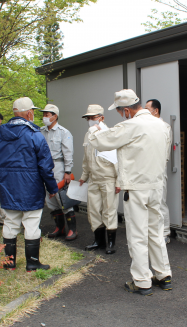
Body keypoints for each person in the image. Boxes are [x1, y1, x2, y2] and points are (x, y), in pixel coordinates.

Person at [88, 90, 172, 296]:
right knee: (156, 232)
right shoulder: (161, 125)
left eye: (120, 112)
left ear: (126, 110)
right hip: (156, 186)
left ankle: (142, 281)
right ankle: (164, 275)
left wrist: (95, 129)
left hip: (136, 188)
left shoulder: (131, 125)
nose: (121, 115)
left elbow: (99, 142)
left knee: (137, 235)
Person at [0, 97, 57, 271]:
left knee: (10, 222)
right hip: (31, 187)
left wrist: (5, 174)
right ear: (29, 113)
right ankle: (32, 263)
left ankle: (9, 263)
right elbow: (46, 166)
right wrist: (52, 187)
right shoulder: (34, 135)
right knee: (31, 223)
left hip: (7, 186)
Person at [79, 104, 120, 254]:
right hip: (94, 178)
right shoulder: (88, 134)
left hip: (108, 178)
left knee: (109, 210)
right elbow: (86, 157)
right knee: (94, 210)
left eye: (93, 117)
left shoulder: (109, 134)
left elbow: (118, 159)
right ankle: (98, 241)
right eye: (88, 118)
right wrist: (84, 176)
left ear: (102, 118)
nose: (90, 120)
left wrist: (119, 181)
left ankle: (111, 244)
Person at [39, 104, 78, 241]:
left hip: (58, 166)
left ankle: (72, 229)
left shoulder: (63, 132)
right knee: (49, 199)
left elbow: (68, 153)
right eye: (44, 114)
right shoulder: (40, 131)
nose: (44, 117)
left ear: (55, 116)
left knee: (62, 197)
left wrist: (68, 171)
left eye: (47, 114)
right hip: (44, 167)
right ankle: (59, 228)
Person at [145, 99, 172, 244]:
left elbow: (165, 153)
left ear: (156, 111)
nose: (144, 111)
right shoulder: (146, 127)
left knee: (160, 201)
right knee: (149, 202)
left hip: (158, 169)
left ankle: (165, 232)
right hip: (146, 170)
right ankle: (153, 233)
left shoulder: (165, 127)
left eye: (147, 108)